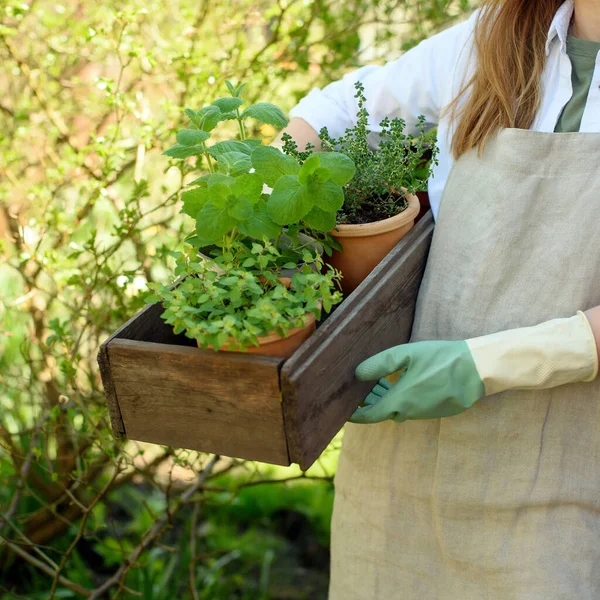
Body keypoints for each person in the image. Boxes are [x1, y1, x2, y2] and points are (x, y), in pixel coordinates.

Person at [275, 0, 600, 598]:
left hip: (564, 469)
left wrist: (484, 365)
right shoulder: (496, 34)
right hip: (406, 453)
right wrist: (272, 227)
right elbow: (338, 112)